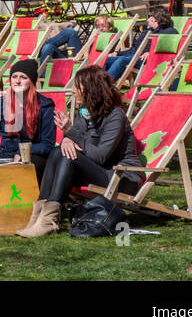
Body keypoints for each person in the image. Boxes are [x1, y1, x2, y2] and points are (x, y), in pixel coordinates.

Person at [15, 65, 141, 237]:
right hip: (102, 171)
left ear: (91, 89)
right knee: (59, 151)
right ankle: (39, 214)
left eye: (77, 87)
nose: (73, 90)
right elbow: (75, 140)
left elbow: (100, 155)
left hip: (121, 176)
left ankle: (49, 220)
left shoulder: (115, 116)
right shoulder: (86, 113)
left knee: (68, 157)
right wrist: (67, 138)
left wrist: (70, 131)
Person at [0, 58, 56, 180]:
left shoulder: (44, 106)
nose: (17, 81)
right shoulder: (0, 103)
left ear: (31, 82)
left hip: (33, 156)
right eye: (14, 76)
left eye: (23, 77)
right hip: (5, 155)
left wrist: (21, 152)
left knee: (24, 168)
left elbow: (47, 144)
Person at [103, 8, 176, 82]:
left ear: (154, 19)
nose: (147, 20)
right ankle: (97, 84)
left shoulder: (170, 32)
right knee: (105, 59)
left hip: (147, 61)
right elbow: (134, 49)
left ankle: (104, 86)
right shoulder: (147, 31)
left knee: (121, 60)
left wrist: (151, 53)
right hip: (134, 57)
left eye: (149, 18)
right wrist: (117, 53)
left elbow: (167, 50)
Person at [37, 15, 108, 66]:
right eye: (98, 26)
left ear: (111, 28)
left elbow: (112, 55)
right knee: (69, 32)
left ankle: (37, 49)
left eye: (103, 25)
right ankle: (38, 49)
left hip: (79, 59)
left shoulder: (112, 38)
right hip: (74, 54)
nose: (100, 28)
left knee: (48, 47)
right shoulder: (96, 33)